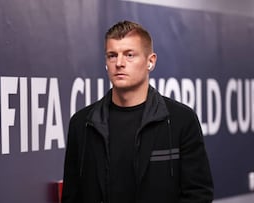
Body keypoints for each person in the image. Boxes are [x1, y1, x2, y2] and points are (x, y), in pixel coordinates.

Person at [62, 20, 214, 203]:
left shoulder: (180, 120)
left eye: (129, 55)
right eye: (112, 55)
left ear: (150, 61)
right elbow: (72, 196)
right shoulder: (82, 124)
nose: (119, 63)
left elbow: (199, 194)